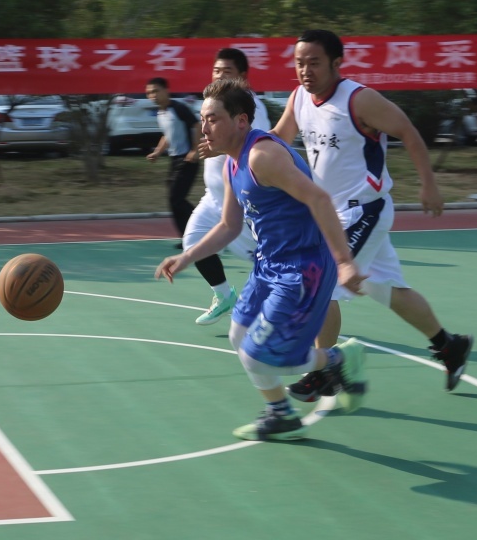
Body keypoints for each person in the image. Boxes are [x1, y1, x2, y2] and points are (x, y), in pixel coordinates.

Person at [156, 78, 369, 442]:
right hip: (269, 265)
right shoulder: (232, 163)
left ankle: (339, 360)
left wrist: (345, 262)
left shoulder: (262, 156)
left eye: (213, 119)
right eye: (203, 119)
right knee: (239, 336)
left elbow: (319, 199)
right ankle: (281, 414)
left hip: (304, 268)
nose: (204, 128)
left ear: (241, 121)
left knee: (261, 354)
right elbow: (229, 225)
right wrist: (187, 256)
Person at [270, 29, 473, 396]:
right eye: (299, 63)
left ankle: (325, 371)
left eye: (314, 63)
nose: (305, 70)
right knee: (388, 290)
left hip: (364, 210)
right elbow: (278, 139)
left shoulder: (359, 100)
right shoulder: (299, 98)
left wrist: (429, 184)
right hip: (331, 215)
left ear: (336, 63)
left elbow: (408, 131)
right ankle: (449, 346)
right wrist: (241, 150)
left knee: (323, 284)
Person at [186, 48, 272, 325]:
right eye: (216, 71)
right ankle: (224, 296)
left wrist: (219, 149)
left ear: (243, 77)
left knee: (265, 261)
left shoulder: (250, 108)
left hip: (241, 202)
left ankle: (296, 304)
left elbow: (255, 145)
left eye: (227, 72)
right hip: (213, 197)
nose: (220, 76)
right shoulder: (214, 103)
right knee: (193, 241)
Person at [145, 77, 201, 245]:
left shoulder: (178, 108)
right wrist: (157, 152)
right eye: (149, 93)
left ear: (166, 90)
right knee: (174, 201)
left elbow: (197, 125)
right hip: (175, 160)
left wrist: (195, 150)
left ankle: (206, 228)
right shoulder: (161, 113)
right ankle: (188, 238)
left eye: (156, 91)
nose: (153, 95)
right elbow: (167, 135)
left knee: (176, 199)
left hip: (187, 159)